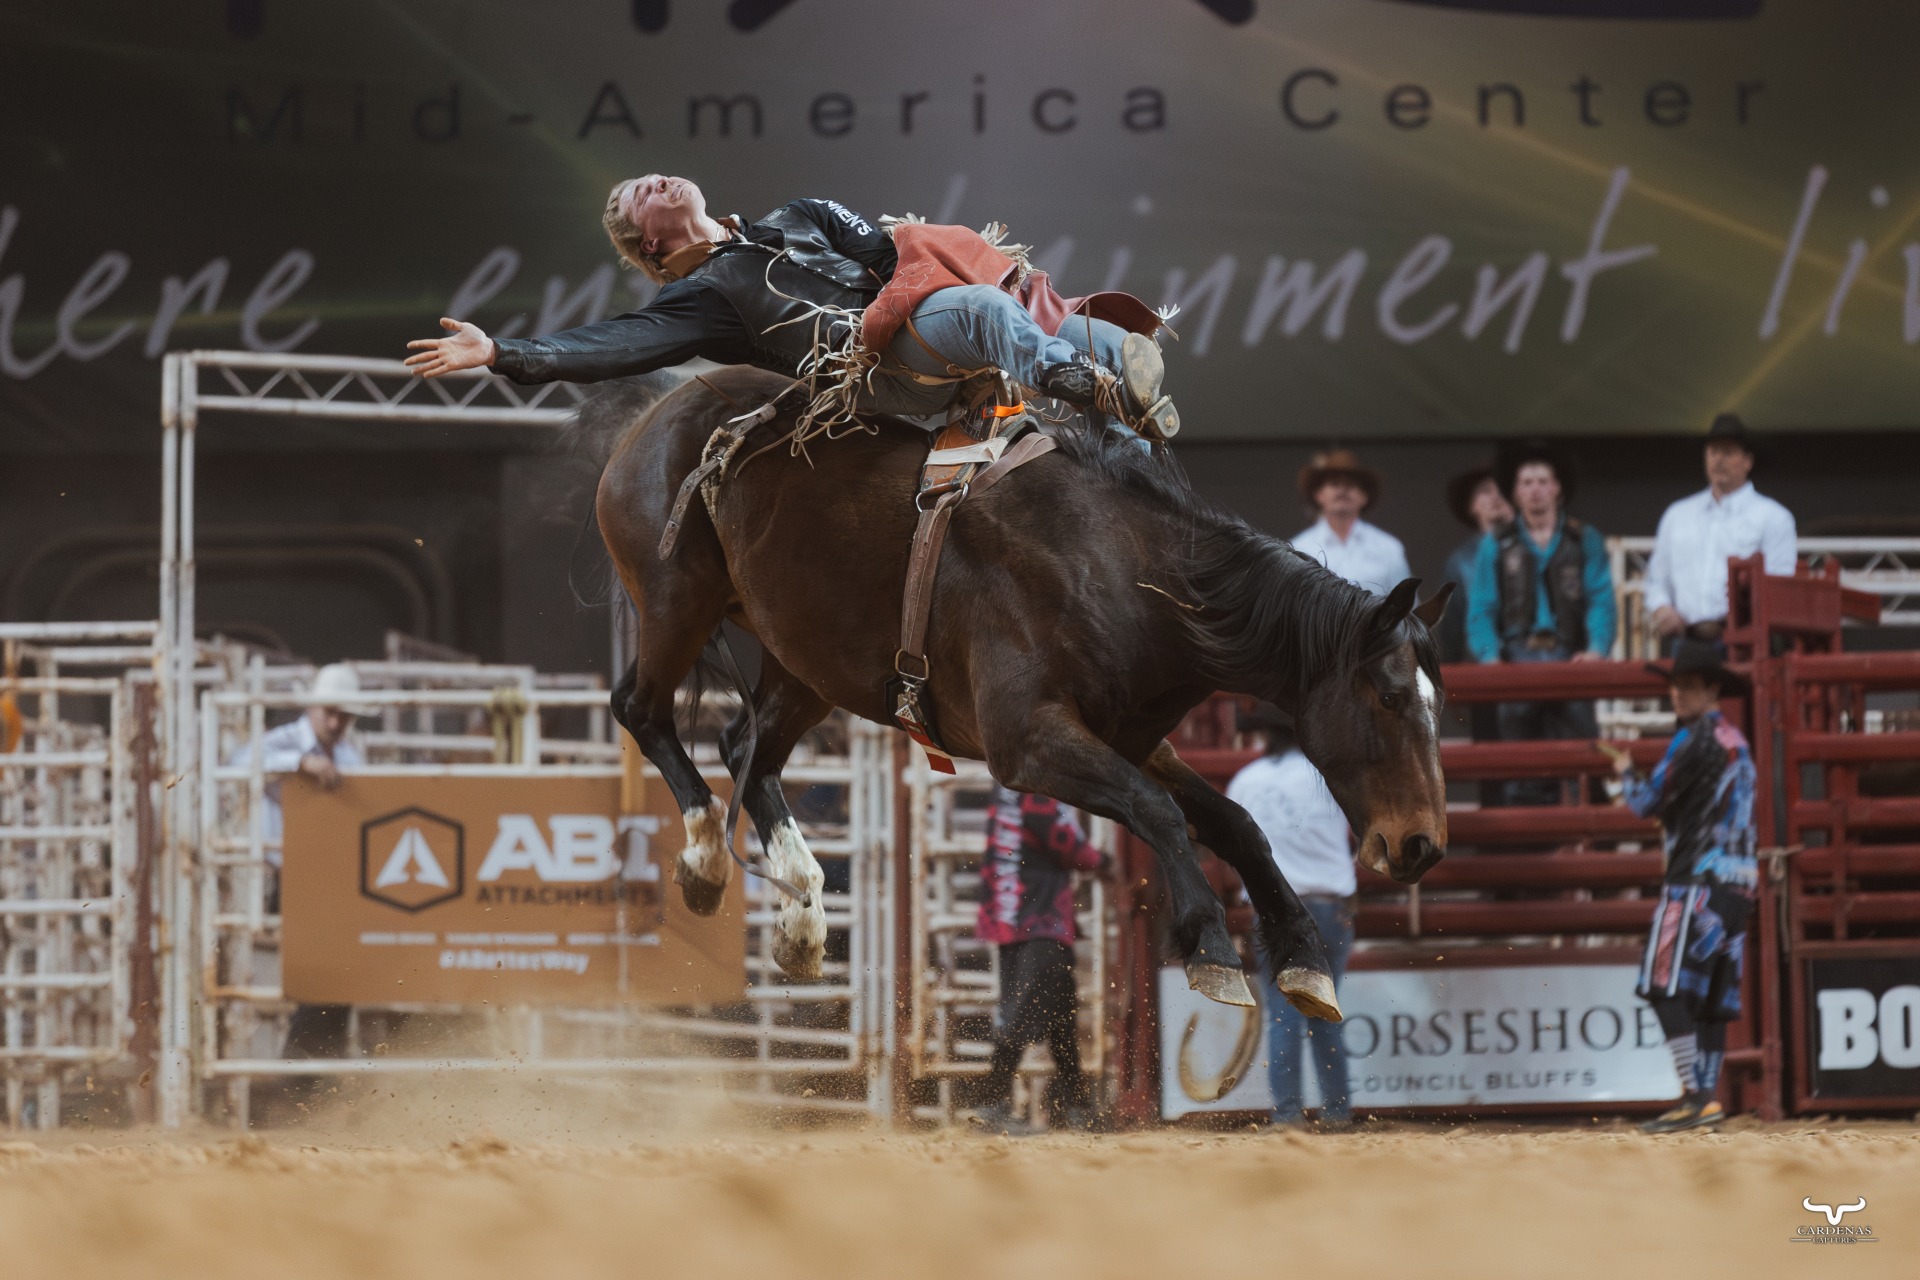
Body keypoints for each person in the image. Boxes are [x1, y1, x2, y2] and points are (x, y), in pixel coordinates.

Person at [404, 175, 1178, 439]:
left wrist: (925, 268)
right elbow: (612, 345)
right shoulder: (698, 298)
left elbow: (889, 259)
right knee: (979, 314)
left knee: (1097, 333)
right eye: (642, 195)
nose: (658, 182)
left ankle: (1131, 431)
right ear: (647, 246)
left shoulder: (804, 214)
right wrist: (504, 354)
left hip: (916, 320)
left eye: (655, 175)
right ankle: (1068, 376)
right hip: (875, 375)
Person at [1607, 640, 1758, 1133]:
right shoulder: (1736, 740)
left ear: (1711, 689)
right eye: (1675, 686)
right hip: (1738, 886)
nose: (1676, 695)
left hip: (1695, 882)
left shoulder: (1692, 740)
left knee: (1662, 984)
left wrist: (1627, 775)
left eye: (1687, 686)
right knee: (1713, 998)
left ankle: (1695, 1097)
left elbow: (1648, 804)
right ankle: (1706, 1100)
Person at [223, 663, 374, 1096]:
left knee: (327, 978)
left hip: (322, 883)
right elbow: (237, 764)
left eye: (343, 715)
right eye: (330, 712)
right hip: (271, 880)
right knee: (319, 978)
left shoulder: (350, 754)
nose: (335, 722)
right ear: (313, 706)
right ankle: (301, 1084)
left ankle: (304, 1084)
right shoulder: (286, 743)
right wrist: (298, 763)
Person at [1225, 704, 1354, 1130]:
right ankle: (1337, 1110)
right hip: (1326, 902)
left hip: (1274, 907)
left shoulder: (1245, 781)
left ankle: (1287, 1113)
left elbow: (1231, 850)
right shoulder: (1328, 775)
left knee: (1284, 1012)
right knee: (1324, 1010)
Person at [1468, 442, 1616, 804]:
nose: (1535, 489)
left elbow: (1601, 600)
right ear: (1515, 492)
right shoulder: (1496, 544)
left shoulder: (1584, 539)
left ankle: (1590, 841)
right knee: (1521, 765)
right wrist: (1491, 658)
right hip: (1517, 659)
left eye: (1543, 481)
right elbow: (1482, 608)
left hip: (1569, 657)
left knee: (1584, 757)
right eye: (1527, 482)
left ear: (1557, 487)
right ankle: (1528, 843)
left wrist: (1597, 650)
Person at [971, 784, 1107, 1134]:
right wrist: (1104, 862)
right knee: (1023, 1011)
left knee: (1059, 1016)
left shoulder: (1010, 789)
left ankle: (1075, 1107)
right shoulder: (1036, 789)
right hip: (1038, 921)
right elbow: (1070, 847)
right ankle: (994, 1104)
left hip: (1016, 917)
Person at [1643, 413, 1797, 649]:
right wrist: (1663, 609)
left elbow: (1779, 586)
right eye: (1713, 451)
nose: (1718, 460)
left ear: (1748, 461)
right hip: (1686, 641)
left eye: (1728, 452)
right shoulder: (1677, 515)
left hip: (1746, 642)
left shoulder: (1774, 518)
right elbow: (1656, 580)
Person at [1289, 449, 1411, 596]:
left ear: (1364, 497)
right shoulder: (1298, 549)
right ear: (1319, 495)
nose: (1342, 489)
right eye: (1334, 483)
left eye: (1351, 484)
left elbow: (1406, 609)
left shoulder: (1389, 549)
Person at [1438, 463, 1514, 665]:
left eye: (1503, 490)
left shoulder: (1539, 549)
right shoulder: (1460, 561)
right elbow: (1451, 631)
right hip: (1483, 670)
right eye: (1485, 491)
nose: (1496, 496)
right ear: (1471, 506)